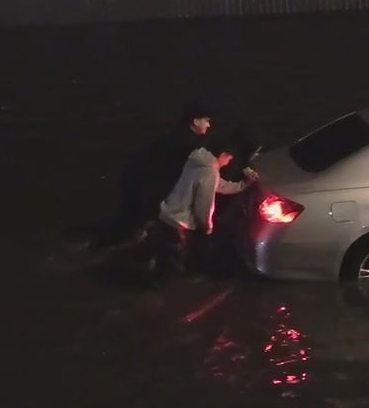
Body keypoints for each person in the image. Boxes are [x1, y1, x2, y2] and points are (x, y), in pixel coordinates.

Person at [91, 99, 216, 250]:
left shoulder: (178, 138)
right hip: (147, 188)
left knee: (132, 224)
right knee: (133, 226)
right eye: (206, 121)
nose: (208, 125)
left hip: (142, 183)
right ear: (195, 121)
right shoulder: (185, 143)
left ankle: (103, 246)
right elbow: (174, 170)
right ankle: (103, 248)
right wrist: (216, 164)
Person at [144, 139, 260, 287]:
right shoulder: (210, 172)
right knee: (170, 261)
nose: (229, 162)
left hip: (167, 211)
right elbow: (204, 204)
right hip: (179, 220)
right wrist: (207, 226)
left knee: (161, 250)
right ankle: (151, 286)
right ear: (222, 155)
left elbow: (220, 185)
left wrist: (243, 185)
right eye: (229, 158)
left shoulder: (197, 162)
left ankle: (150, 270)